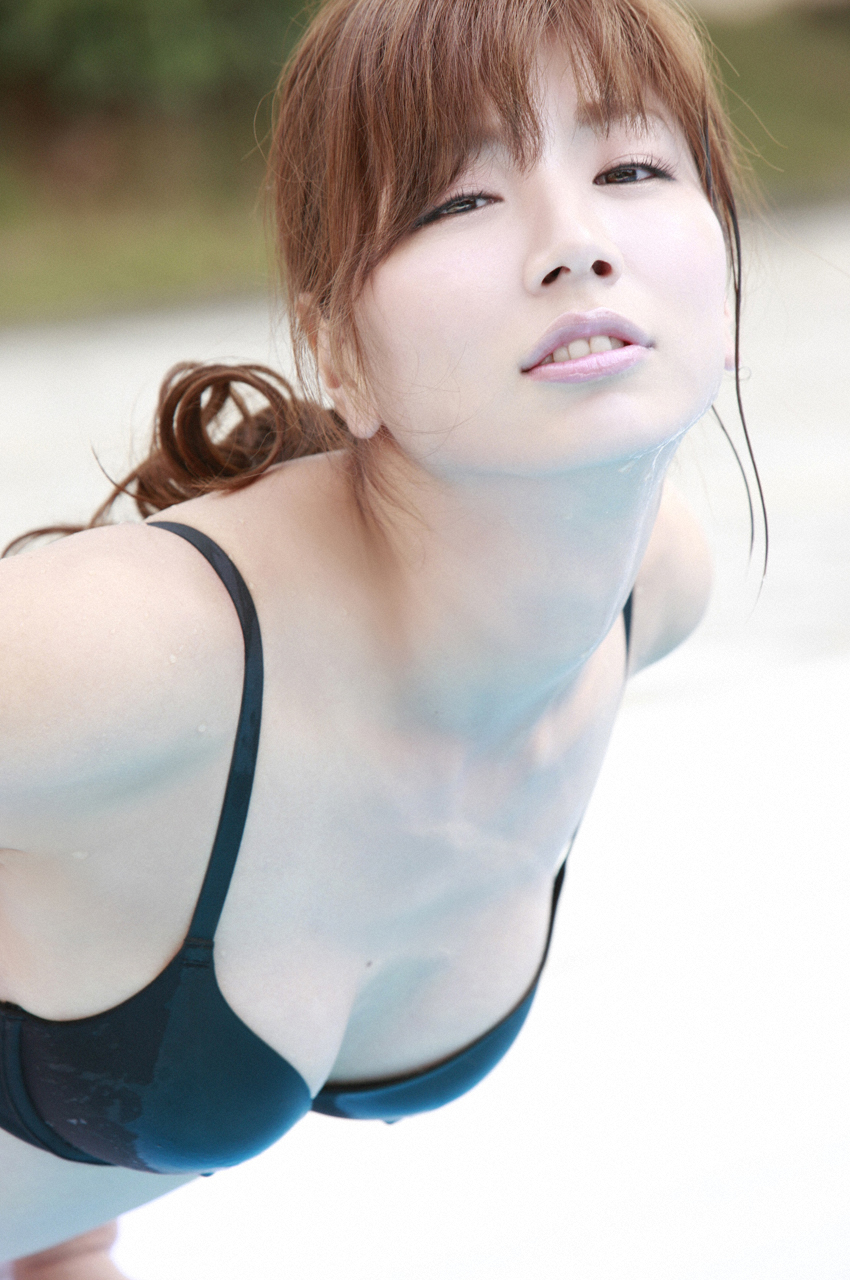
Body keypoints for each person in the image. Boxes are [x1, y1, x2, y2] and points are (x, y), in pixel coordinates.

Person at [0, 0, 755, 1272]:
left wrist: (68, 1246)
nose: (574, 245)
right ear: (339, 349)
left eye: (630, 168)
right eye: (460, 199)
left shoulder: (651, 592)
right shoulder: (138, 652)